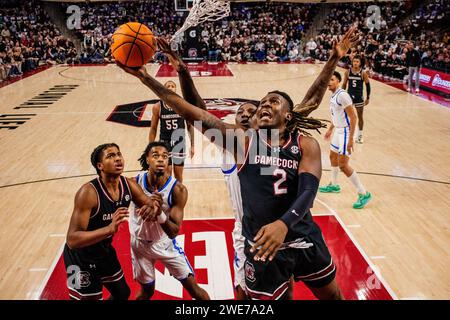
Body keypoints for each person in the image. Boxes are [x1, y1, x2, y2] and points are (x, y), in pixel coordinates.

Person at [116, 26, 361, 300]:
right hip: (251, 233)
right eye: (243, 112)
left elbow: (311, 101)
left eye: (253, 110)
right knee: (247, 295)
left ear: (283, 117)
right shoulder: (238, 141)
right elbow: (193, 109)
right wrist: (155, 76)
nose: (248, 113)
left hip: (298, 232)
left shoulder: (297, 140)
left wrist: (332, 59)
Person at [64, 143, 162, 300]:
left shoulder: (128, 185)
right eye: (111, 156)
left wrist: (155, 206)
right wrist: (109, 230)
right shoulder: (88, 193)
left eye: (119, 154)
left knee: (122, 294)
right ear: (100, 165)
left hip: (103, 251)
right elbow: (72, 240)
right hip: (79, 258)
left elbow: (150, 205)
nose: (118, 159)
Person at [129, 141, 210, 300]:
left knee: (194, 289)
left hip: (164, 243)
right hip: (139, 245)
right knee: (147, 292)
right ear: (147, 159)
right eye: (155, 156)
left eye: (165, 157)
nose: (160, 159)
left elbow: (173, 232)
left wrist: (159, 213)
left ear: (168, 161)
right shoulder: (134, 183)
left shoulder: (178, 190)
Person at [319, 72, 372, 209]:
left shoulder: (342, 95)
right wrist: (331, 128)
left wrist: (350, 139)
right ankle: (334, 184)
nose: (329, 82)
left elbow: (353, 117)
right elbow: (336, 115)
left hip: (346, 131)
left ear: (338, 81)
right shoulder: (333, 95)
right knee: (332, 157)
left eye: (332, 80)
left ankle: (363, 193)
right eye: (328, 80)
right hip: (338, 130)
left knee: (343, 165)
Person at [148, 80, 195, 183]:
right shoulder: (158, 106)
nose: (170, 87)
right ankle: (166, 197)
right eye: (168, 85)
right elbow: (153, 128)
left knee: (178, 175)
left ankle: (178, 197)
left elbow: (189, 126)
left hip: (179, 142)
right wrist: (150, 146)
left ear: (175, 89)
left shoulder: (182, 105)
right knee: (166, 174)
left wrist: (192, 145)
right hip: (165, 142)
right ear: (164, 89)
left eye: (172, 86)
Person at [342, 55, 371, 144]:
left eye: (357, 61)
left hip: (359, 98)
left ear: (360, 63)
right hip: (348, 98)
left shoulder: (363, 73)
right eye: (354, 61)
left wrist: (368, 97)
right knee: (345, 116)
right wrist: (341, 96)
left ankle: (360, 135)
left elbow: (368, 86)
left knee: (360, 117)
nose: (355, 63)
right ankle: (346, 134)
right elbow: (344, 85)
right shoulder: (347, 72)